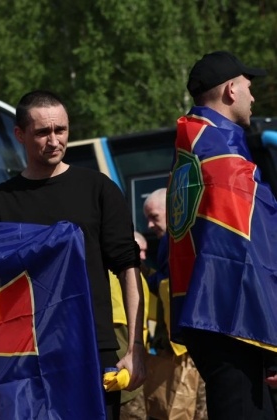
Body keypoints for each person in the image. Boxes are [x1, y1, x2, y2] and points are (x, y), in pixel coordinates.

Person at [0, 90, 146, 420]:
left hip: (92, 348)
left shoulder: (99, 189)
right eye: (43, 132)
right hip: (22, 356)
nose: (54, 141)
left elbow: (129, 268)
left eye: (61, 130)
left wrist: (136, 347)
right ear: (20, 135)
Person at [168, 51, 277, 420]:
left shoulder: (191, 152)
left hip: (206, 314)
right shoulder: (226, 160)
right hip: (235, 320)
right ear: (231, 90)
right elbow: (253, 254)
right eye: (249, 87)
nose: (253, 97)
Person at [143, 188, 207, 420]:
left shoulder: (175, 240)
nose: (150, 225)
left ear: (171, 211)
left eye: (154, 217)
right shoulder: (173, 239)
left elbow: (167, 283)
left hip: (187, 339)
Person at [110, 232, 151, 420]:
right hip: (123, 350)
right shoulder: (123, 274)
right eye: (138, 250)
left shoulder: (141, 277)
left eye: (144, 251)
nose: (142, 256)